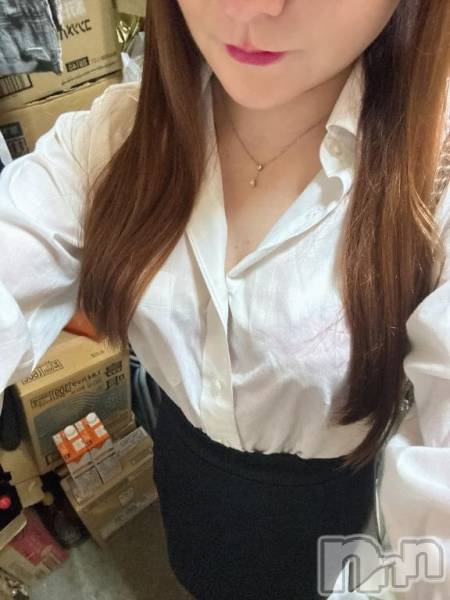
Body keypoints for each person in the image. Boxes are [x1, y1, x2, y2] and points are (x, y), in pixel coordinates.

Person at [0, 1, 449, 598]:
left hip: (324, 510)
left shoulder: (432, 176)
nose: (246, 5)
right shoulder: (115, 138)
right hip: (186, 473)